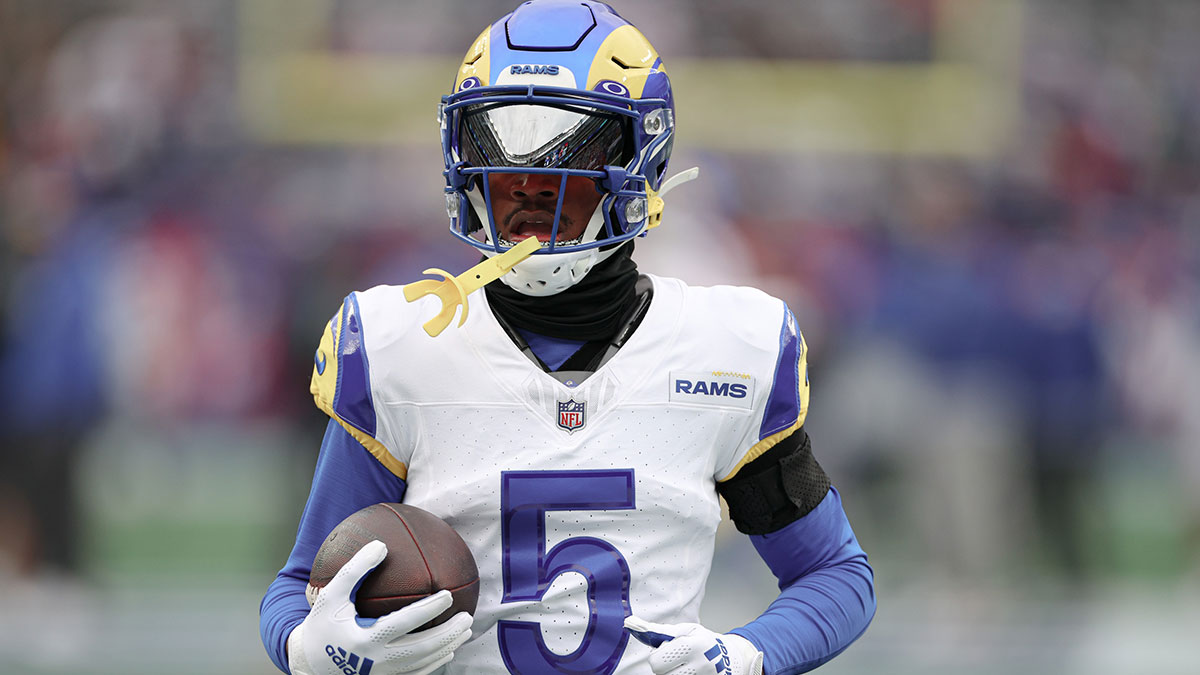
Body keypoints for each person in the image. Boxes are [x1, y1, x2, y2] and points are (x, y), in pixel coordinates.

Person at [260, 2, 876, 673]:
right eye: (497, 145)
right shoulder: (402, 347)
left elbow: (834, 572)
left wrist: (747, 656)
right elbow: (299, 586)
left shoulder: (726, 349)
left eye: (564, 153)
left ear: (638, 161)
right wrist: (308, 648)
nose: (524, 185)